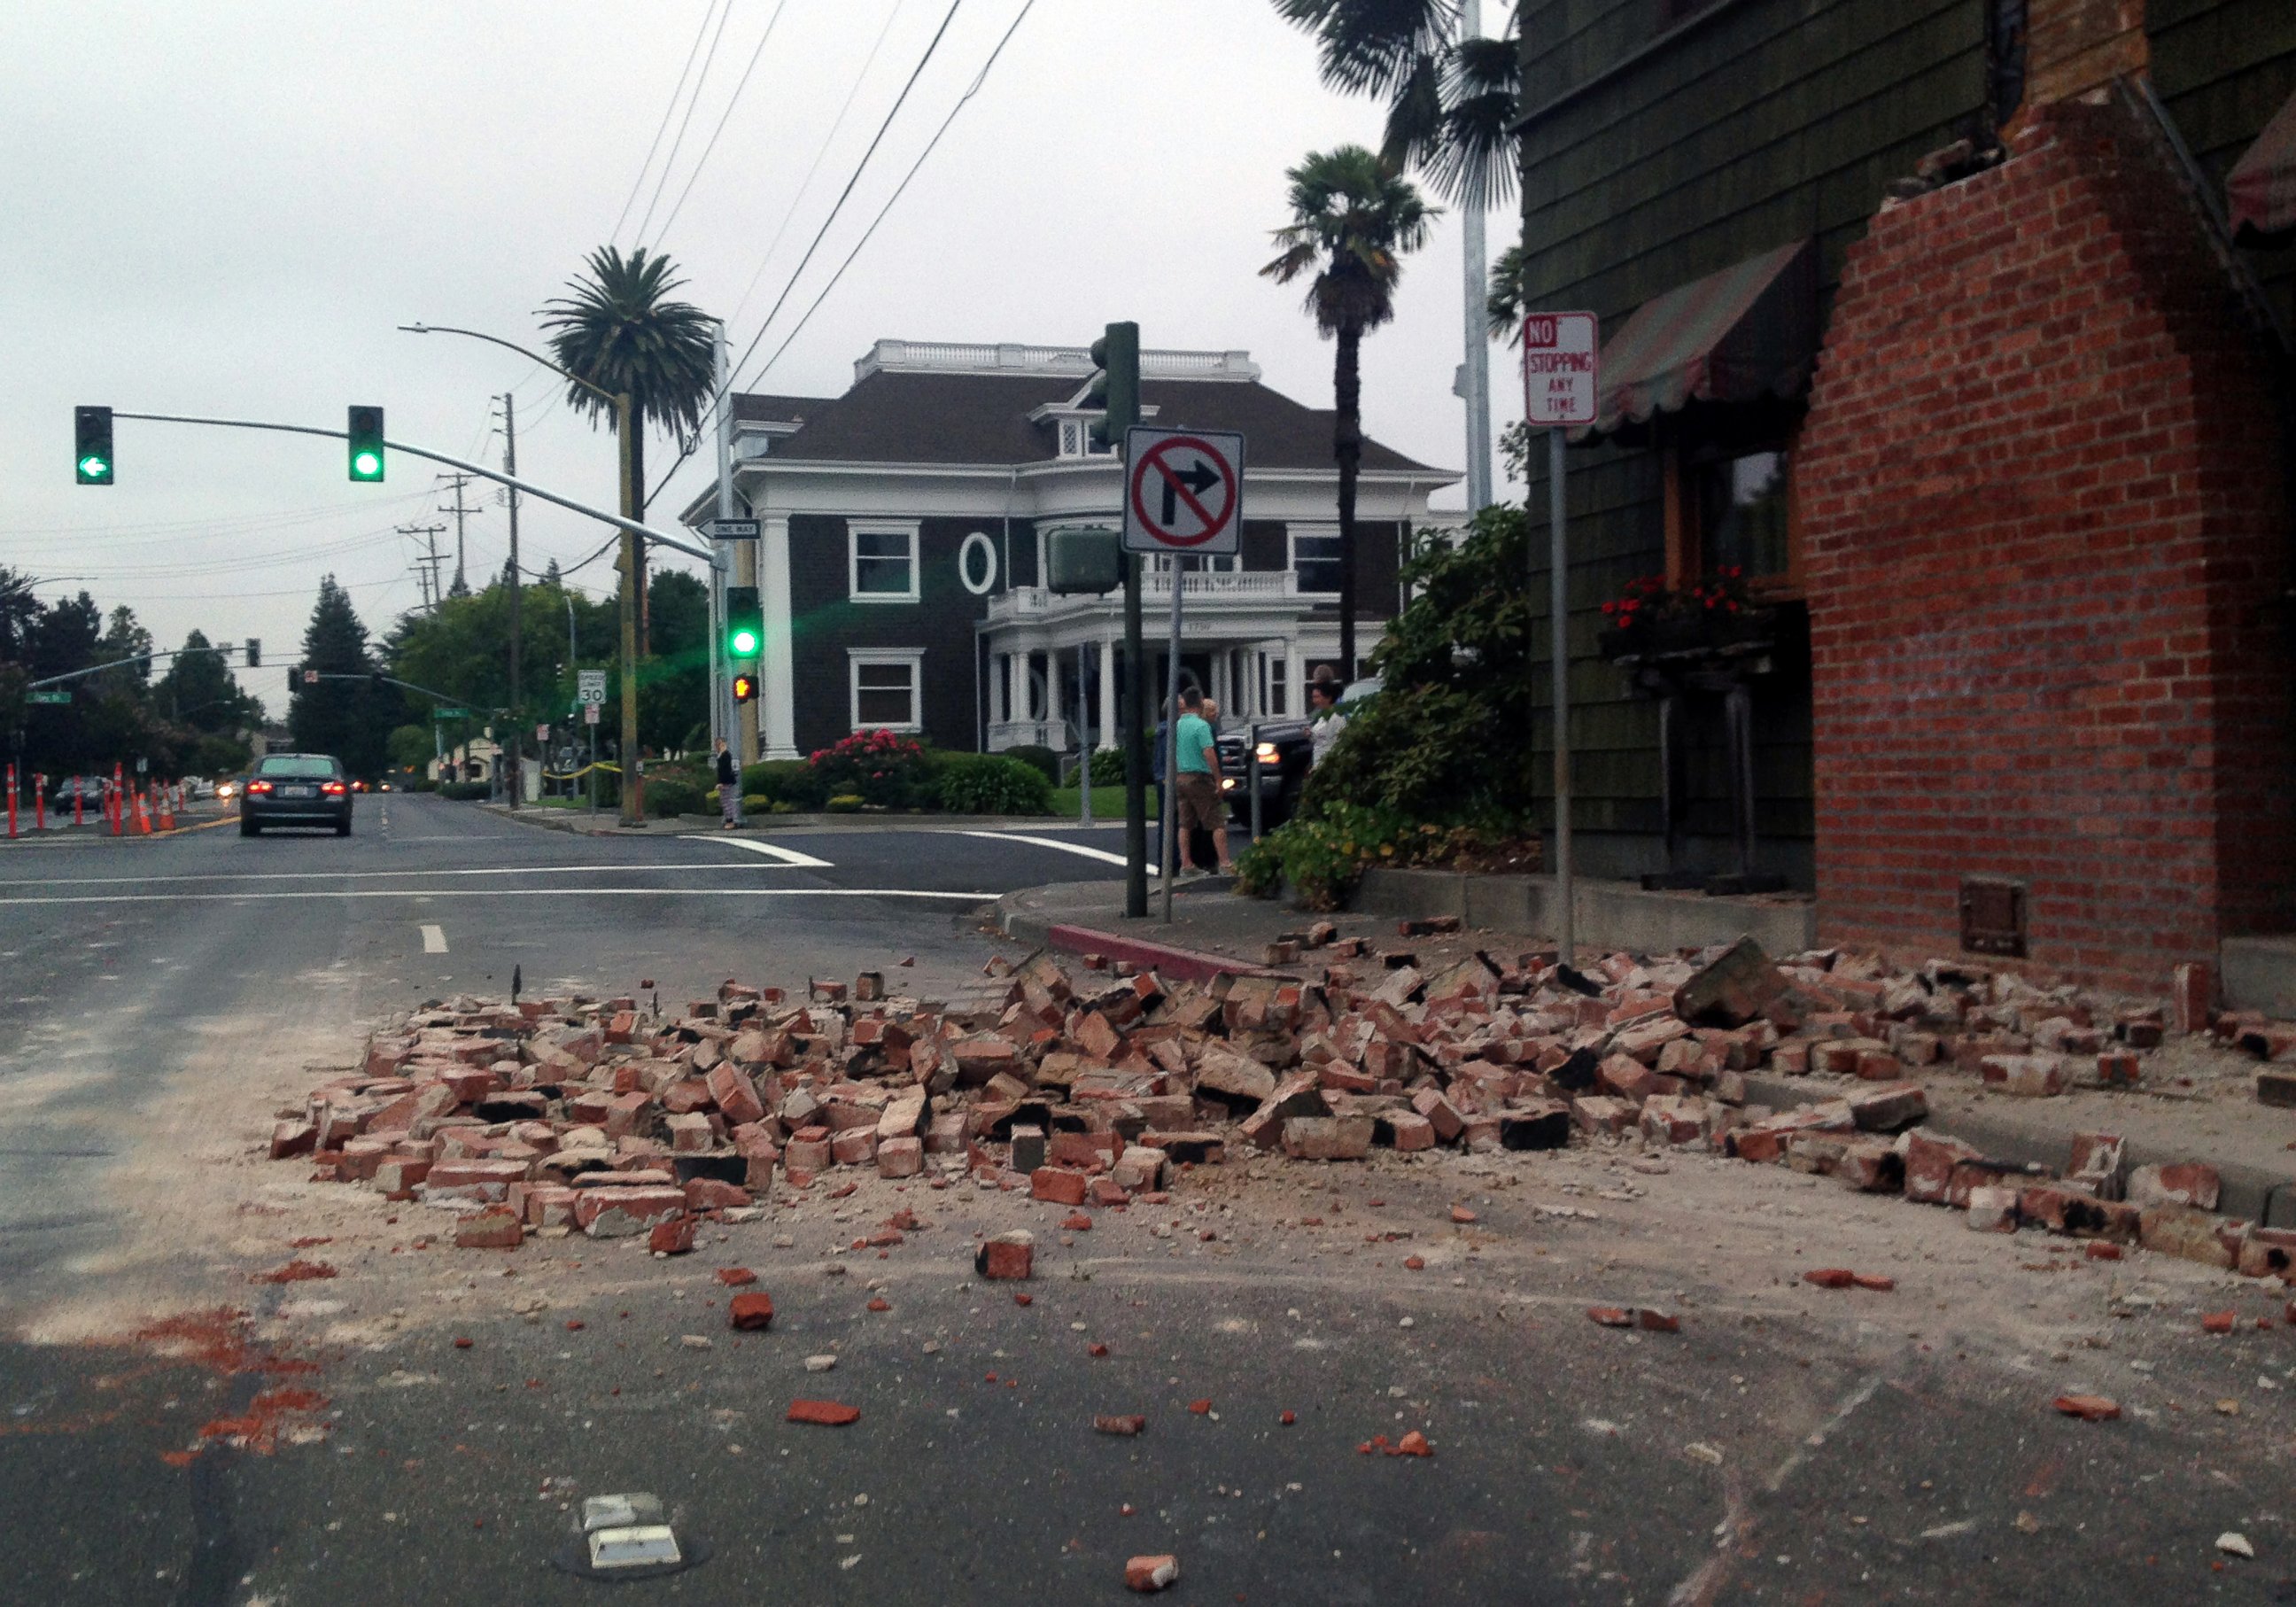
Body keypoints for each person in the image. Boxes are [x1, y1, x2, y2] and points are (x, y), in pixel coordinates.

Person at [1170, 687, 1232, 876]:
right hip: (1199, 777)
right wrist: (1219, 779)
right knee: (1216, 821)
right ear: (1200, 703)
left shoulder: (1178, 725)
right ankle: (1225, 863)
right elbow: (1209, 753)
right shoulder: (1201, 726)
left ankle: (1186, 864)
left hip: (1181, 776)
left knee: (1185, 823)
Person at [1307, 679, 1347, 768]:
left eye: (1317, 697)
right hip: (1318, 764)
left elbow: (1339, 743)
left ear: (1328, 698)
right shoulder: (1321, 717)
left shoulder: (1337, 718)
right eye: (1313, 697)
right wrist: (1310, 734)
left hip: (1330, 766)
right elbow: (1318, 739)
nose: (1314, 701)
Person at [714, 738, 741, 829]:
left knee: (726, 802)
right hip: (725, 781)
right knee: (725, 801)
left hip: (726, 781)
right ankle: (729, 820)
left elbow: (725, 770)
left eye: (721, 744)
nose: (719, 746)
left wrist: (721, 782)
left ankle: (731, 821)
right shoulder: (722, 755)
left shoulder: (725, 755)